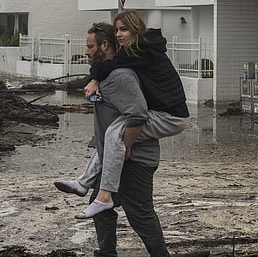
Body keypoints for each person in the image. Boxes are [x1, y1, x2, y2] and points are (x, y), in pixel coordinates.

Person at [71, 21, 177, 257]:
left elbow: (138, 114)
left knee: (140, 212)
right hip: (117, 159)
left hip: (135, 158)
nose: (86, 51)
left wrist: (127, 146)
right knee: (101, 207)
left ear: (104, 46)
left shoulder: (121, 76)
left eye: (90, 46)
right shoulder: (108, 74)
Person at [55, 11, 189, 219]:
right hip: (163, 112)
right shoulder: (136, 49)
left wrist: (94, 80)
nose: (118, 34)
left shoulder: (141, 50)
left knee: (114, 135)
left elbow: (109, 67)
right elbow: (107, 67)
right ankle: (84, 183)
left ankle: (104, 196)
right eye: (116, 29)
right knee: (111, 135)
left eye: (124, 29)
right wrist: (95, 79)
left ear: (136, 30)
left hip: (171, 116)